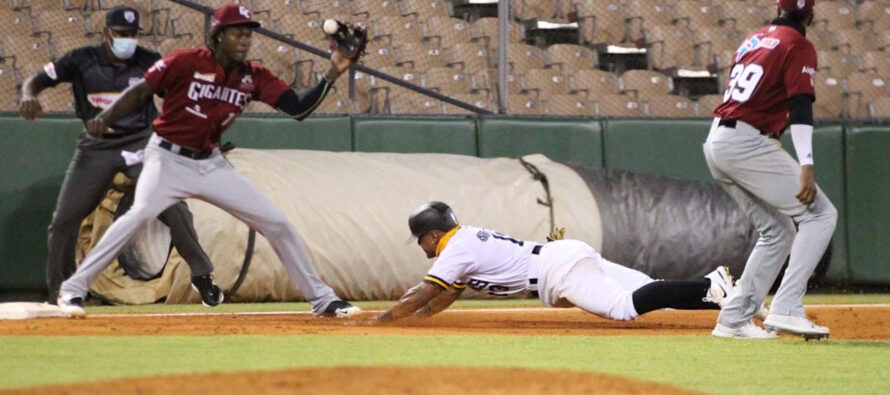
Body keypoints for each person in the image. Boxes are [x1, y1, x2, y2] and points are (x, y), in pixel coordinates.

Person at [57, 3, 360, 318]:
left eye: (248, 34)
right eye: (237, 33)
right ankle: (73, 289)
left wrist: (333, 71)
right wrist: (107, 116)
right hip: (166, 159)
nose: (245, 40)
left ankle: (323, 299)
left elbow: (297, 108)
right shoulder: (186, 61)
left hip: (210, 164)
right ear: (217, 36)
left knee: (277, 223)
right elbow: (141, 91)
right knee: (139, 215)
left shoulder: (252, 76)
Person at [18, 6, 219, 307]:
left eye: (133, 34)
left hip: (143, 143)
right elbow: (36, 80)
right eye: (122, 34)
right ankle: (62, 294)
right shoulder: (80, 59)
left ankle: (202, 275)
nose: (128, 39)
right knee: (64, 222)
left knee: (174, 207)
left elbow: (180, 95)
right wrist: (28, 95)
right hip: (97, 145)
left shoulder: (150, 62)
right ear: (107, 34)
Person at [363, 201, 739, 326]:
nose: (421, 246)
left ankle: (713, 286)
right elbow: (442, 299)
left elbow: (425, 291)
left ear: (431, 236)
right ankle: (720, 293)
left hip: (557, 269)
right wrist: (414, 323)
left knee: (626, 308)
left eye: (420, 240)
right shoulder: (463, 242)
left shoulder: (455, 250)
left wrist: (383, 322)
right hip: (563, 255)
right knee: (647, 287)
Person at [704, 0, 837, 339]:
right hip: (748, 141)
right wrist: (806, 162)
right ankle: (787, 308)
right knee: (820, 215)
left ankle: (733, 319)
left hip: (719, 139)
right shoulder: (798, 44)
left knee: (778, 231)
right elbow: (800, 103)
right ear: (810, 13)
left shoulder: (754, 38)